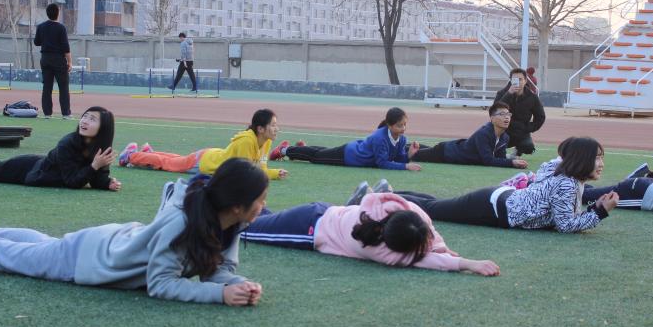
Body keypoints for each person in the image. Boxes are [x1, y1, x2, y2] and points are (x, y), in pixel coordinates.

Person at [0, 158, 267, 306]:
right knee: (4, 257)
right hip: (88, 259)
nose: (263, 206)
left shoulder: (229, 223)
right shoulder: (182, 224)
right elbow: (161, 284)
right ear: (236, 204)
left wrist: (238, 284)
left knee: (40, 246)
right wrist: (219, 295)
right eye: (260, 200)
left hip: (104, 245)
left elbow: (218, 270)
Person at [240, 190, 500, 276]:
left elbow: (429, 231)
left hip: (320, 212)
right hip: (307, 229)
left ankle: (246, 205)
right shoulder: (377, 250)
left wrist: (441, 248)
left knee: (263, 220)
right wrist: (466, 263)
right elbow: (422, 260)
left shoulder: (401, 208)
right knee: (245, 231)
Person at [394, 137, 618, 233]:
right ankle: (385, 196)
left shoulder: (562, 171)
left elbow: (565, 214)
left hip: (498, 200)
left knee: (436, 204)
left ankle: (390, 193)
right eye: (597, 158)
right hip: (491, 207)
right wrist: (600, 212)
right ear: (581, 160)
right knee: (433, 209)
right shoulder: (567, 183)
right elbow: (565, 225)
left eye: (602, 158)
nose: (601, 164)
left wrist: (594, 208)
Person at [0, 107, 120, 190]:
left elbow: (96, 178)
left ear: (103, 128)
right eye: (85, 116)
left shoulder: (101, 150)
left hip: (35, 166)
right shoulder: (68, 143)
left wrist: (106, 183)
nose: (84, 121)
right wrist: (94, 166)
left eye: (92, 119)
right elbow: (72, 181)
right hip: (30, 172)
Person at [118, 108, 288, 179]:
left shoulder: (265, 141)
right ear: (260, 129)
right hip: (205, 163)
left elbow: (260, 169)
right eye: (273, 125)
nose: (277, 129)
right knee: (168, 164)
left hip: (210, 157)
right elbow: (244, 175)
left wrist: (274, 173)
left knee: (175, 159)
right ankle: (130, 156)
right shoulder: (247, 141)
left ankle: (147, 154)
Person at [274, 107, 422, 171]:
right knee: (317, 157)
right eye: (399, 125)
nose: (403, 128)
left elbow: (396, 159)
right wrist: (405, 166)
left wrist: (408, 155)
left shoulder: (402, 139)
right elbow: (382, 163)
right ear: (389, 125)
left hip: (351, 151)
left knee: (322, 152)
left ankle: (299, 148)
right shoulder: (380, 138)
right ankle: (284, 150)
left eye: (405, 124)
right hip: (350, 156)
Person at [411, 102, 528, 168]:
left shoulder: (505, 137)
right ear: (492, 118)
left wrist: (512, 160)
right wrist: (511, 163)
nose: (507, 117)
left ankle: (407, 145)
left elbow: (500, 158)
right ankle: (401, 147)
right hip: (446, 153)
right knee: (412, 155)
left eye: (508, 114)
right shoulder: (484, 134)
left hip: (451, 149)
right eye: (502, 114)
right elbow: (488, 160)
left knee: (418, 149)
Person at [493, 67, 545, 157]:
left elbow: (540, 117)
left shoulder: (532, 97)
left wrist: (528, 128)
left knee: (528, 147)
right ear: (510, 80)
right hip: (503, 130)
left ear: (525, 81)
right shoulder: (502, 93)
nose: (518, 82)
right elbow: (495, 111)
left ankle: (518, 150)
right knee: (492, 145)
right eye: (514, 79)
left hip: (521, 131)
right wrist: (509, 94)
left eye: (520, 79)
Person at [33, 3, 72, 119]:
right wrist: (70, 62)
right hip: (59, 59)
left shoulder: (41, 27)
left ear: (47, 13)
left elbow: (36, 42)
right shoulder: (61, 28)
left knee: (47, 87)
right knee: (63, 87)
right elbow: (66, 47)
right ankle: (65, 113)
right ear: (58, 13)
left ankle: (47, 113)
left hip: (45, 59)